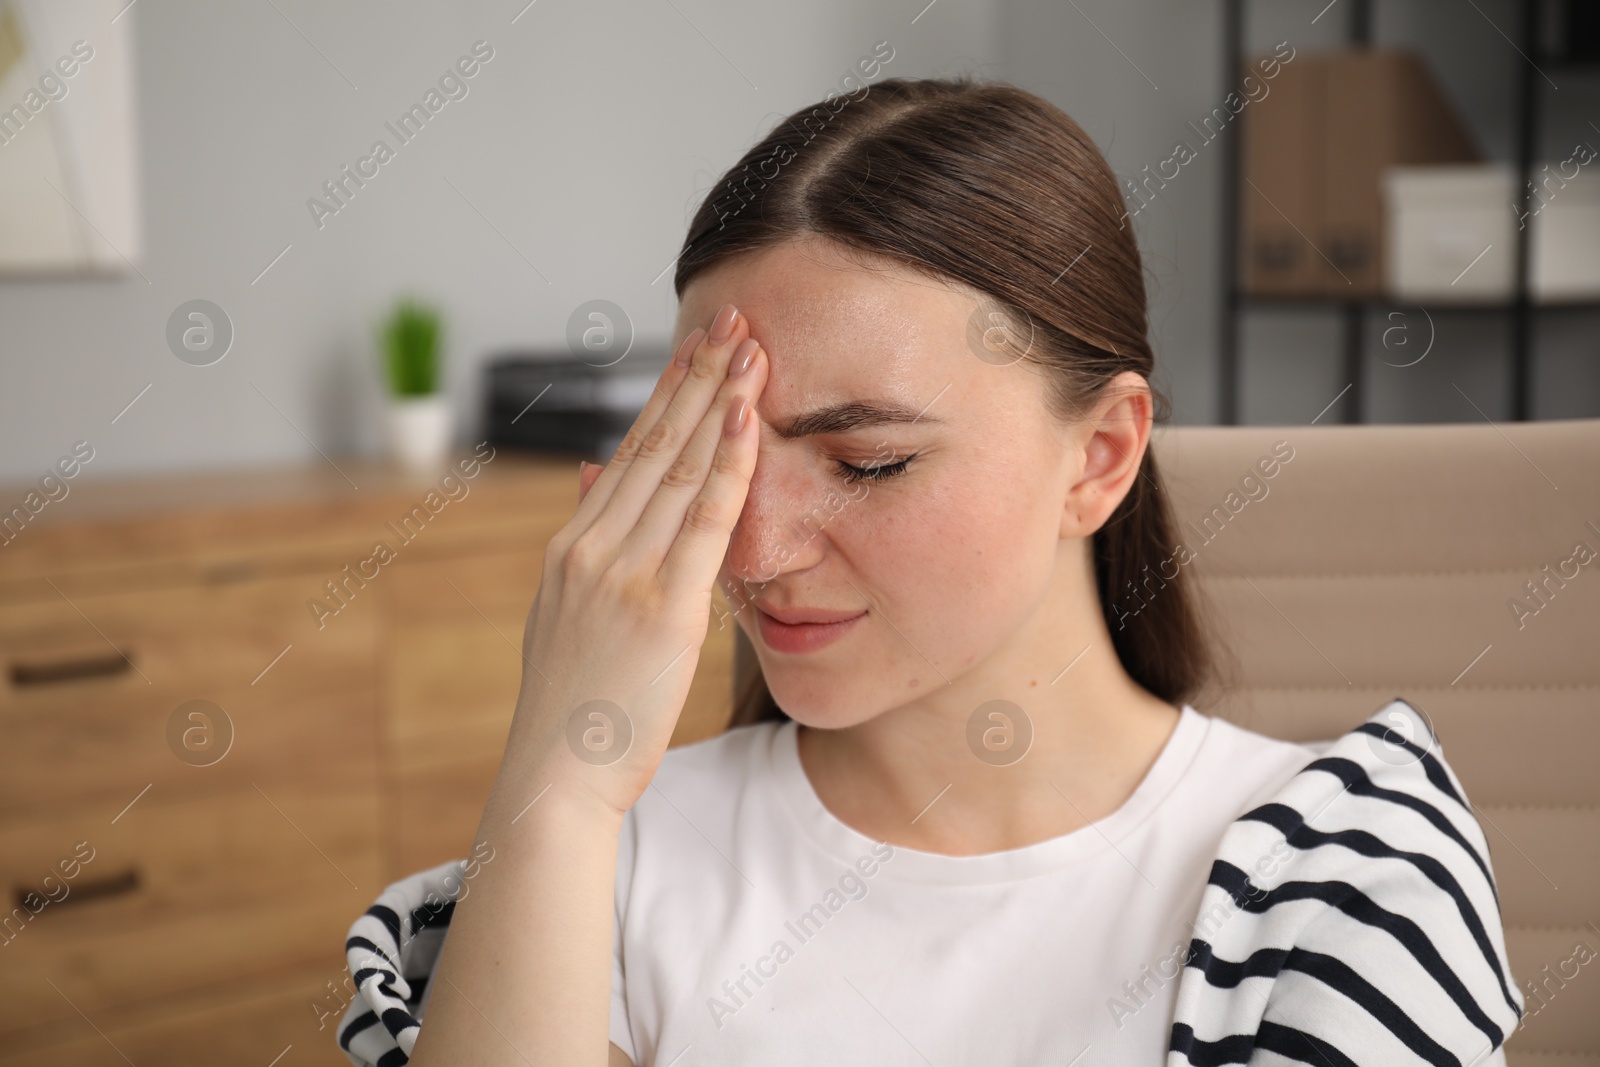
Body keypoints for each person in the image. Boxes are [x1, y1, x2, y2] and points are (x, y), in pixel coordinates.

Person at [336, 76, 1522, 1066]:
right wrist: (561, 759)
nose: (750, 554)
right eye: (724, 457)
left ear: (1099, 455)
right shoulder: (592, 857)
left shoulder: (1335, 874)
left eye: (869, 461)